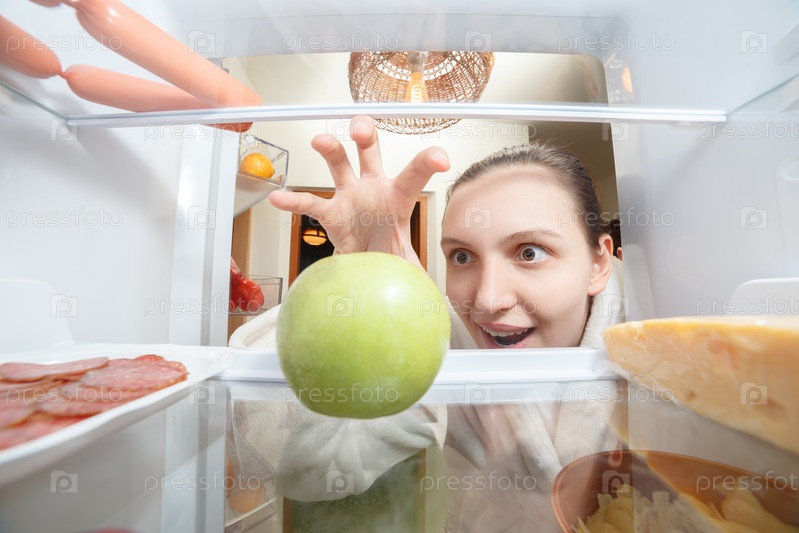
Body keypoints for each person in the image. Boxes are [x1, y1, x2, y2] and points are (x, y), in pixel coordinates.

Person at [229, 115, 625, 532]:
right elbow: (305, 464)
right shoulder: (436, 351)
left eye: (530, 252)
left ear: (599, 263)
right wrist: (355, 283)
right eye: (462, 257)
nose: (487, 300)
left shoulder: (651, 350)